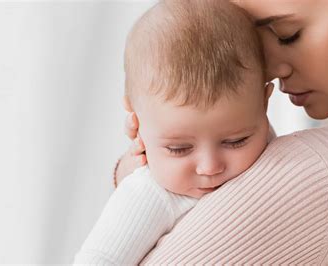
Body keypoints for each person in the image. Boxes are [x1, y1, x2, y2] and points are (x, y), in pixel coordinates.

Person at [116, 0, 328, 264]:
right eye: (254, 45)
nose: (271, 69)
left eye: (287, 35)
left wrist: (143, 176)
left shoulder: (316, 170)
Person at [74, 0, 274, 264]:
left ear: (265, 103)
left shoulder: (274, 152)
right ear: (137, 123)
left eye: (236, 141)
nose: (209, 167)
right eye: (178, 149)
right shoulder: (150, 195)